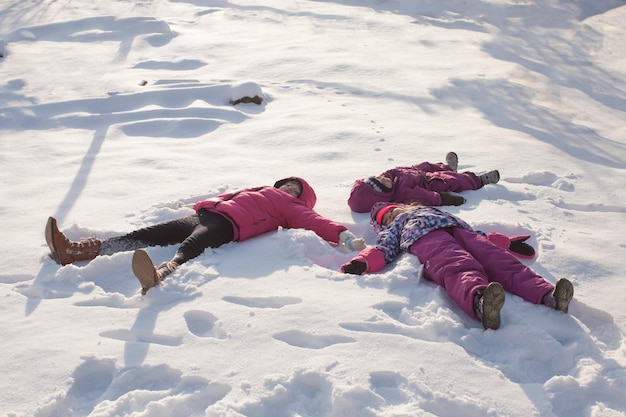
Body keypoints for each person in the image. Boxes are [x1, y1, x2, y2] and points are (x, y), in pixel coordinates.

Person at [46, 177, 366, 294]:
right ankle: (79, 251)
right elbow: (226, 194)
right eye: (287, 183)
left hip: (228, 226)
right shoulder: (260, 188)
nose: (288, 188)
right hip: (207, 213)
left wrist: (345, 238)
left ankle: (160, 274)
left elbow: (318, 221)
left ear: (300, 196)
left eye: (295, 188)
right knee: (147, 234)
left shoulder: (293, 208)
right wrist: (185, 204)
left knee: (192, 245)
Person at [340, 203, 574, 330]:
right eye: (386, 216)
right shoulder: (397, 226)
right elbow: (384, 248)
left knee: (501, 262)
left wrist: (506, 242)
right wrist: (362, 262)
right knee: (458, 267)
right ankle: (481, 301)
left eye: (392, 209)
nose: (392, 213)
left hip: (461, 232)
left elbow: (478, 233)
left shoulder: (431, 210)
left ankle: (548, 294)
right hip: (427, 240)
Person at [347, 152, 501, 213]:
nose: (382, 178)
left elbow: (395, 171)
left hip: (417, 171)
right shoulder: (403, 193)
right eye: (381, 184)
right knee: (452, 180)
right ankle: (479, 180)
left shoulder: (389, 177)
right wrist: (442, 198)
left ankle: (448, 167)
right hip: (430, 183)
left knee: (430, 165)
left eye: (377, 177)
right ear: (381, 196)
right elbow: (424, 196)